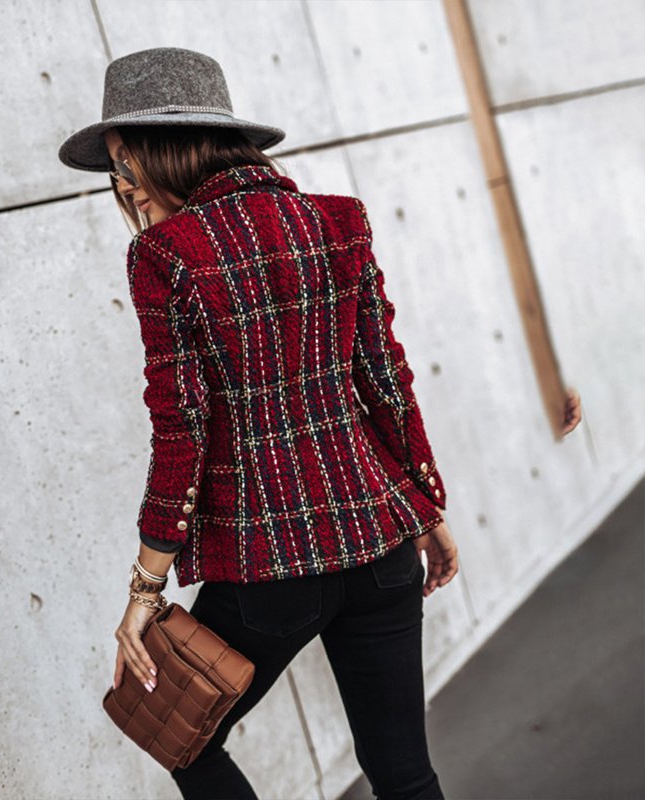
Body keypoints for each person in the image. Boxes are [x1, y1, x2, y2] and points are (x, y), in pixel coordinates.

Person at [59, 47, 582, 800]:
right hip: (382, 545)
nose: (122, 185)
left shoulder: (164, 255)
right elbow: (386, 380)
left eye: (123, 163)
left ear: (165, 150)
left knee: (180, 740)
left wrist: (145, 591)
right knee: (404, 775)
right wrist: (426, 507)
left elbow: (181, 431)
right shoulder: (336, 221)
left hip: (270, 570)